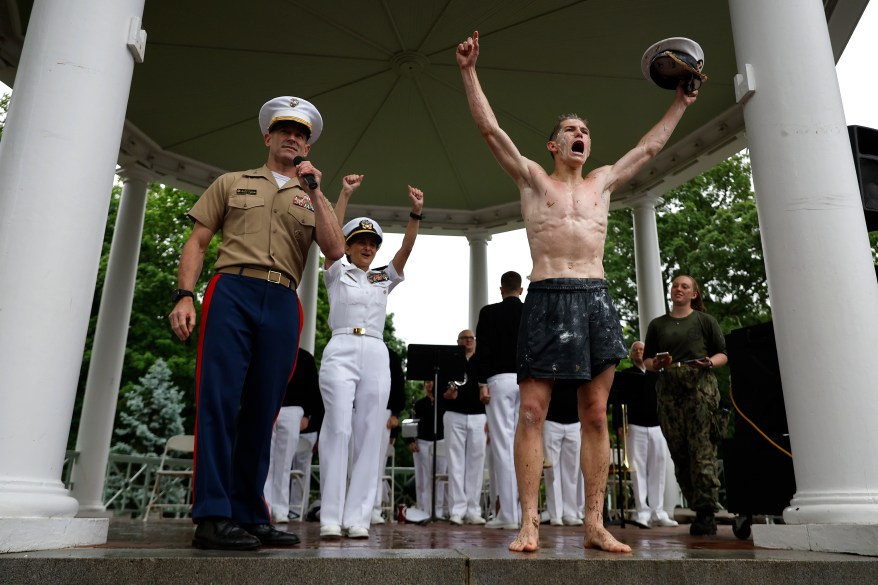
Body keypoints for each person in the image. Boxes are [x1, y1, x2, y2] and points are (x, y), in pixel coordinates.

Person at [456, 32, 698, 553]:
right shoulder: (532, 181)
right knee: (531, 411)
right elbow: (491, 131)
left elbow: (651, 146)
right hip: (545, 296)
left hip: (594, 295)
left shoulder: (604, 182)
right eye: (570, 129)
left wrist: (679, 102)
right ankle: (528, 522)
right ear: (553, 144)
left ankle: (593, 523)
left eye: (585, 130)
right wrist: (470, 73)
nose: (579, 133)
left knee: (595, 413)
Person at [168, 96, 344, 550]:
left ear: (307, 145)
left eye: (301, 133)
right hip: (233, 290)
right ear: (268, 136)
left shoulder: (311, 195)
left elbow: (336, 249)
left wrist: (317, 191)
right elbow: (198, 240)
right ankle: (211, 515)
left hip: (283, 300)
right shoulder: (232, 183)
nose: (293, 137)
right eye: (285, 130)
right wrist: (184, 295)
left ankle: (249, 513)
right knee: (219, 401)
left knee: (264, 409)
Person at [317, 175, 424, 539]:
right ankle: (331, 516)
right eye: (359, 241)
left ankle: (359, 517)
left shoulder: (381, 278)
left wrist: (415, 214)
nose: (366, 247)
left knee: (370, 433)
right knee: (338, 427)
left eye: (371, 243)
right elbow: (329, 234)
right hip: (341, 347)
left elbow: (405, 253)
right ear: (347, 247)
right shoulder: (336, 270)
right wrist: (344, 194)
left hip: (376, 351)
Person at [643, 275, 727, 536]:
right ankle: (696, 503)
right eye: (676, 285)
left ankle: (706, 512)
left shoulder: (704, 321)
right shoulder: (658, 325)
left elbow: (723, 353)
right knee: (679, 451)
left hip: (700, 388)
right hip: (669, 389)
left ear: (694, 294)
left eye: (685, 286)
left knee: (701, 449)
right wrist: (655, 365)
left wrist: (710, 363)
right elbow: (647, 360)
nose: (678, 289)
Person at [475, 271, 524, 530]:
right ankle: (518, 511)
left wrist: (482, 383)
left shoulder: (489, 313)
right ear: (521, 289)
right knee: (522, 445)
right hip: (527, 382)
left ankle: (508, 514)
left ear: (501, 289)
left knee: (503, 447)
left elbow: (483, 350)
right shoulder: (530, 312)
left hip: (499, 381)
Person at [621, 341, 678, 529]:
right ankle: (642, 512)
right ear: (631, 354)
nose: (638, 352)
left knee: (659, 468)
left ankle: (659, 512)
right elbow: (620, 401)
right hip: (635, 426)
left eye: (642, 349)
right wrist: (620, 426)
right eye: (635, 350)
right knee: (637, 470)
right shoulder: (627, 374)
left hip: (657, 426)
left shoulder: (657, 374)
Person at [264, 347, 321, 524]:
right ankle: (265, 505)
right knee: (266, 461)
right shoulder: (267, 350)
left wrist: (307, 416)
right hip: (268, 405)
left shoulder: (305, 357)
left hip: (293, 410)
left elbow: (313, 389)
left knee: (284, 462)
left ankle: (280, 509)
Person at [442, 329, 487, 526]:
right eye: (464, 338)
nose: (468, 341)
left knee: (476, 465)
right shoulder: (450, 359)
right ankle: (457, 510)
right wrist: (446, 394)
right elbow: (439, 387)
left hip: (479, 416)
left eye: (471, 338)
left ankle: (473, 509)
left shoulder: (483, 360)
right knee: (455, 463)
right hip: (454, 414)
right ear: (458, 341)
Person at [371, 345, 407, 524]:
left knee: (377, 464)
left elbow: (398, 383)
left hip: (384, 411)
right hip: (355, 409)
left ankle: (374, 509)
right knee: (351, 462)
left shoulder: (390, 354)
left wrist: (395, 414)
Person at [542, 381, 584, 527]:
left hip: (574, 422)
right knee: (551, 471)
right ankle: (555, 514)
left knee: (572, 472)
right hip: (551, 420)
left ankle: (570, 513)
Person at [408, 380, 448, 518]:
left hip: (441, 441)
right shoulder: (418, 404)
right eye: (426, 382)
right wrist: (411, 441)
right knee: (422, 478)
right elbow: (411, 422)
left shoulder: (444, 402)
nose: (429, 384)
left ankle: (438, 511)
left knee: (440, 477)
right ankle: (423, 509)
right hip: (422, 442)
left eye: (431, 381)